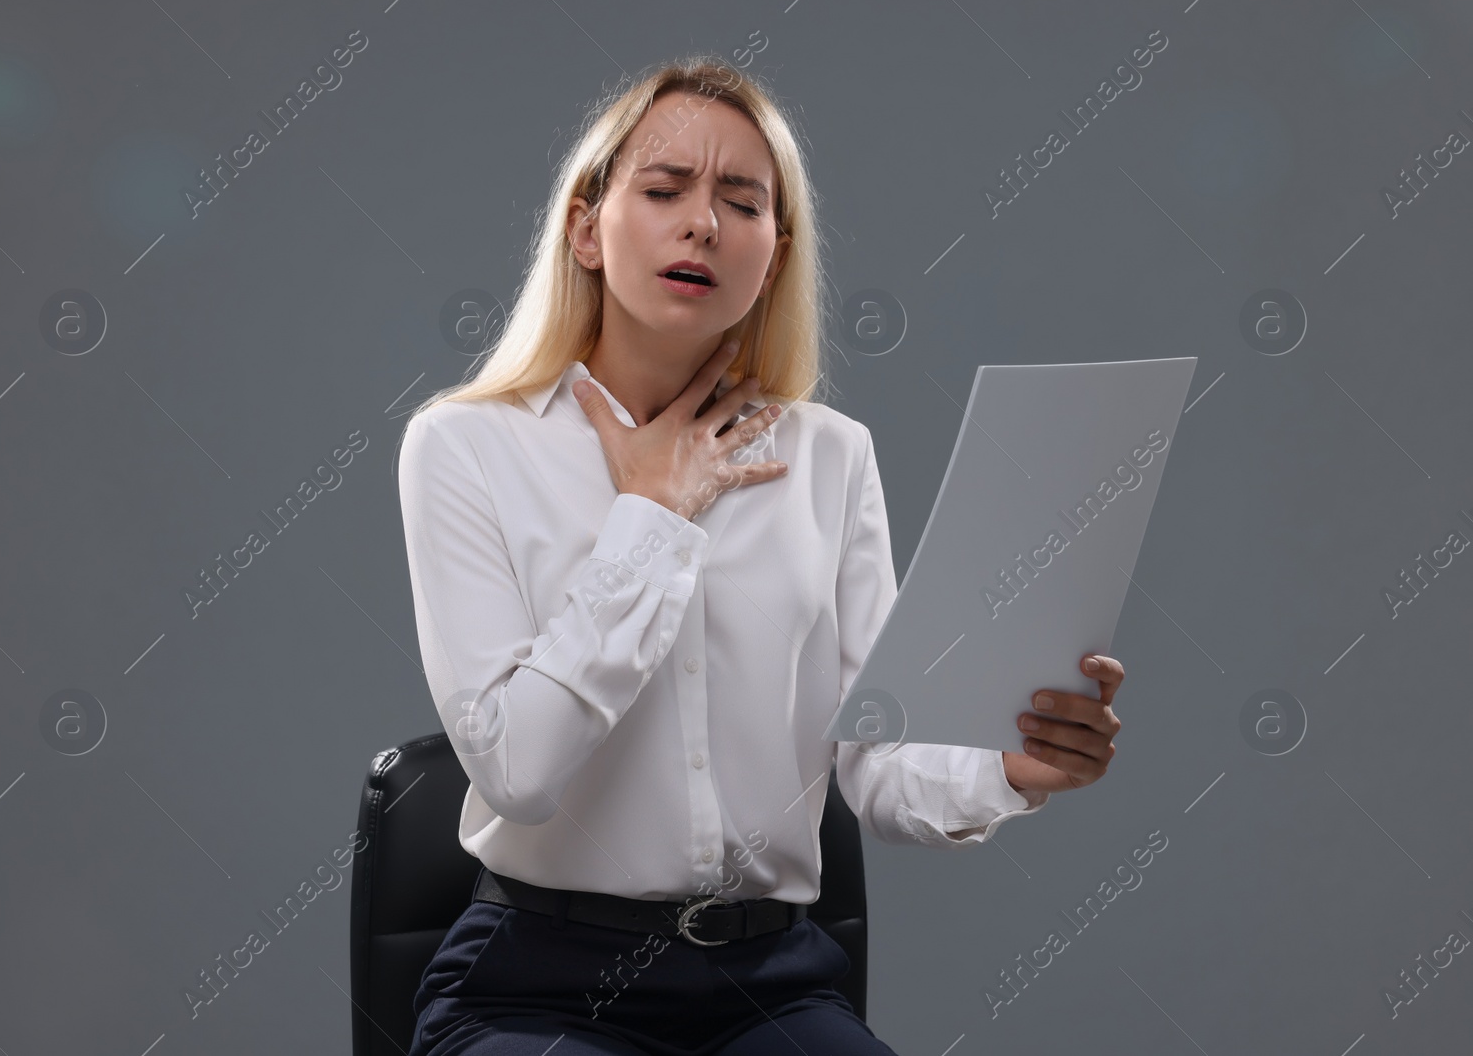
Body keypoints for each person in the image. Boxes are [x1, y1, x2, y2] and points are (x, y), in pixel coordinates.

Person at [394, 54, 1125, 1056]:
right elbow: (518, 767)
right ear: (584, 227)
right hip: (535, 983)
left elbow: (877, 757)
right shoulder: (466, 445)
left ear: (773, 257)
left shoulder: (831, 455)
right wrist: (653, 513)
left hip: (770, 985)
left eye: (743, 203)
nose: (703, 223)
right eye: (663, 190)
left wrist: (1012, 766)